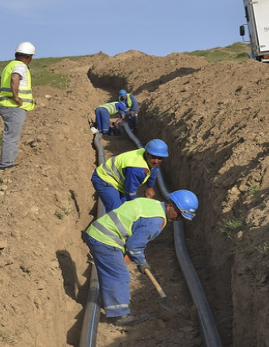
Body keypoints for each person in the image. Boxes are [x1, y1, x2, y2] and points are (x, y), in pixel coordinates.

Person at [85, 190, 199, 326]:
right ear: (170, 206)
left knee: (112, 273)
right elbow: (134, 246)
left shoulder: (153, 204)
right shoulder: (157, 221)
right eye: (179, 214)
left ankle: (110, 303)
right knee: (119, 276)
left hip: (99, 232)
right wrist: (141, 262)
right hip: (105, 239)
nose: (178, 219)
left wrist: (138, 260)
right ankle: (119, 316)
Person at [91, 139, 168, 212]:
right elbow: (130, 191)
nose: (156, 161)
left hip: (118, 181)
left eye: (160, 158)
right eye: (153, 158)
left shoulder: (151, 159)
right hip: (104, 179)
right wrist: (134, 208)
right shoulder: (137, 169)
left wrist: (150, 187)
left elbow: (154, 170)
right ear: (147, 153)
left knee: (125, 210)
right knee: (116, 213)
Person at [0, 42, 36, 170]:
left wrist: (5, 93)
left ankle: (9, 163)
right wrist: (16, 97)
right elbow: (15, 78)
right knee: (11, 136)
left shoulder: (10, 65)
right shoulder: (20, 66)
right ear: (30, 57)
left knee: (11, 135)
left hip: (6, 105)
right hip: (14, 107)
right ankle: (6, 164)